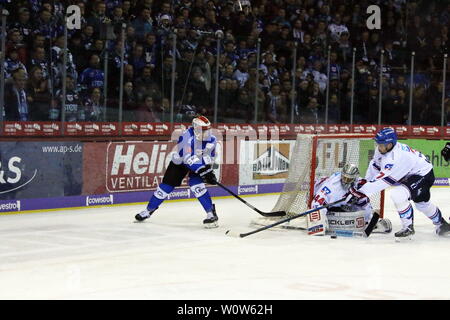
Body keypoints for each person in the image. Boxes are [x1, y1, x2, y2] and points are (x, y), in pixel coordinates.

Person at [345, 128, 450, 240]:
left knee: (398, 194)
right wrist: (366, 181)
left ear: (390, 144)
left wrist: (361, 192)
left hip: (423, 174)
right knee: (422, 204)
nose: (378, 147)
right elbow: (374, 165)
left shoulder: (395, 158)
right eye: (378, 144)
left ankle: (408, 227)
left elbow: (382, 182)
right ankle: (442, 224)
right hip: (414, 172)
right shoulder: (382, 149)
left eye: (381, 144)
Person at [135, 115, 219, 228]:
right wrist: (202, 170)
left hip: (199, 161)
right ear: (197, 130)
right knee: (165, 187)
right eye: (204, 131)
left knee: (197, 186)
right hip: (180, 162)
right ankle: (148, 210)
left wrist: (208, 171)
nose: (207, 133)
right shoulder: (186, 137)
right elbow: (187, 158)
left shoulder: (212, 139)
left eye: (208, 130)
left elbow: (210, 157)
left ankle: (211, 214)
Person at [310, 163, 392, 236]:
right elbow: (316, 203)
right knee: (319, 208)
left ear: (354, 178)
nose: (345, 181)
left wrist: (358, 196)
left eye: (348, 179)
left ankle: (368, 221)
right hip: (319, 197)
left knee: (363, 200)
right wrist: (319, 221)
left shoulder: (358, 183)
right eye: (344, 178)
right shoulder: (332, 187)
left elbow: (367, 194)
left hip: (342, 204)